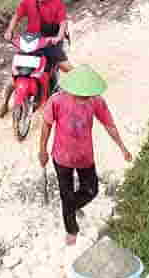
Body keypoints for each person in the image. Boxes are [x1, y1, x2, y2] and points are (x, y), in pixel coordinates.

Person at [38, 65, 132, 246]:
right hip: (61, 157)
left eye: (87, 94)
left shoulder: (96, 101)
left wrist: (122, 147)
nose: (84, 98)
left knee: (91, 190)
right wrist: (42, 150)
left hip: (85, 156)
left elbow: (109, 124)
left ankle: (70, 208)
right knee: (66, 193)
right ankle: (71, 230)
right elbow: (46, 125)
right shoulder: (56, 100)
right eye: (81, 94)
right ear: (72, 88)